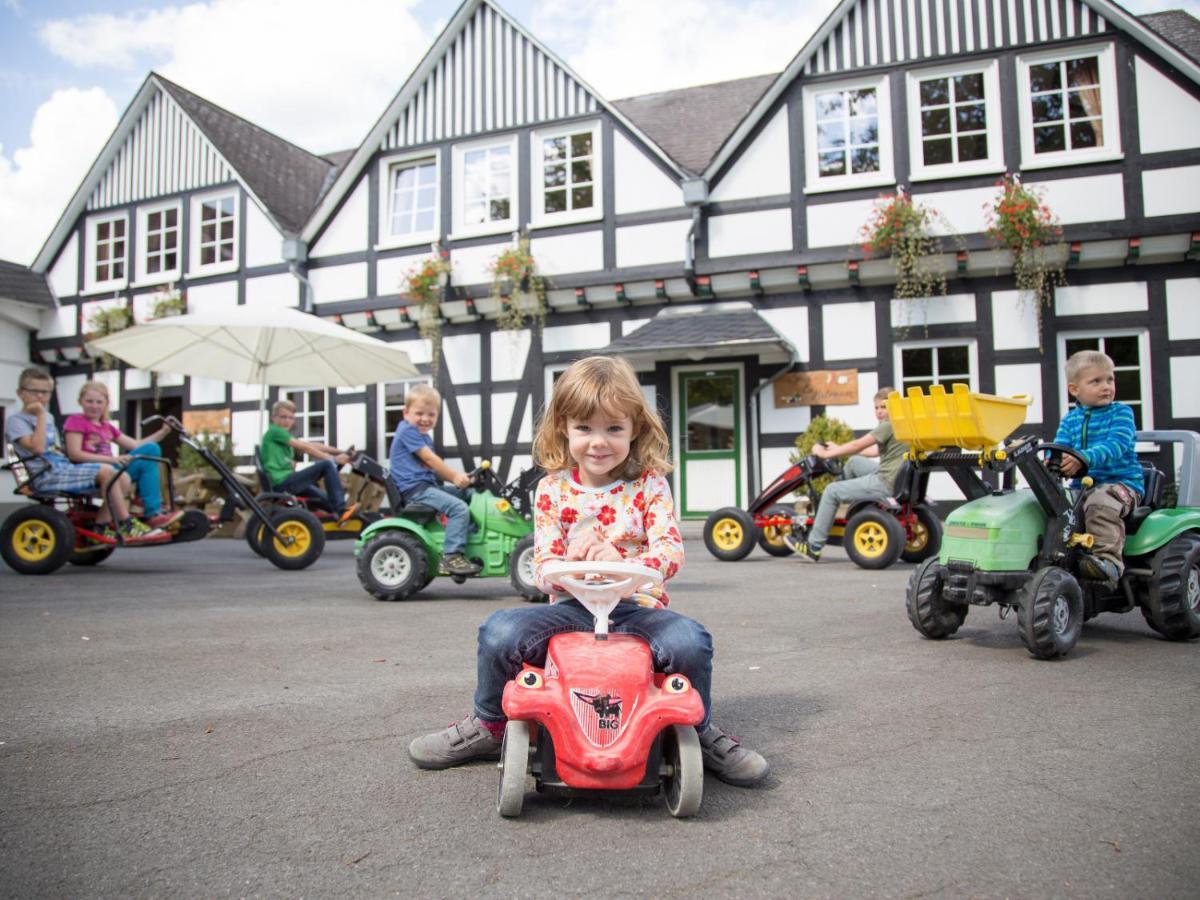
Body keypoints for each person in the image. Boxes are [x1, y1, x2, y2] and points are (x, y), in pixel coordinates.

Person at [407, 356, 769, 787]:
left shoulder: (649, 484)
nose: (599, 442)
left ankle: (700, 728)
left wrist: (621, 560)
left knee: (690, 641)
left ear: (635, 428)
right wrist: (568, 565)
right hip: (571, 609)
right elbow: (541, 569)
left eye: (613, 428)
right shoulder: (552, 489)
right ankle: (490, 725)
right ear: (564, 427)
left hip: (636, 608)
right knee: (498, 632)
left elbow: (670, 553)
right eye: (585, 428)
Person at [4, 367, 168, 544]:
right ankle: (126, 524)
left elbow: (56, 450)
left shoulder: (49, 418)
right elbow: (37, 449)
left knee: (124, 478)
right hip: (45, 474)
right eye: (34, 392)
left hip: (61, 468)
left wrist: (164, 431)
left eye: (45, 392)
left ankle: (101, 526)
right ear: (20, 393)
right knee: (108, 471)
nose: (40, 397)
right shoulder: (16, 420)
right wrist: (41, 416)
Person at [1052, 350, 1144, 584]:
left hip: (1121, 485)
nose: (1106, 386)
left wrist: (1084, 458)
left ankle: (1109, 562)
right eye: (1096, 381)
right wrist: (1053, 463)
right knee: (1051, 503)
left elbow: (1117, 444)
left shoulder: (1121, 413)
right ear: (1075, 389)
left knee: (1100, 502)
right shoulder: (1070, 419)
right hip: (1081, 487)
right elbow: (1060, 448)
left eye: (1110, 379)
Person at [795, 386, 907, 563]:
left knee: (831, 490)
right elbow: (875, 450)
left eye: (883, 407)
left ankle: (813, 547)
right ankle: (832, 504)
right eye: (876, 408)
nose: (879, 412)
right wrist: (839, 448)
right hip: (899, 478)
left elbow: (858, 445)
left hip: (885, 481)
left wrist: (825, 454)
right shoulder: (904, 422)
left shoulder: (887, 426)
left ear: (893, 406)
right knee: (854, 462)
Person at [387, 383, 481, 577]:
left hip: (425, 487)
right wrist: (455, 476)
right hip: (415, 491)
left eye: (431, 414)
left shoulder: (423, 437)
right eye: (419, 413)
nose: (425, 419)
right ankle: (452, 556)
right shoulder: (407, 431)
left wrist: (464, 479)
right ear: (406, 413)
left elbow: (432, 468)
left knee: (468, 494)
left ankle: (468, 536)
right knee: (458, 508)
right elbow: (430, 459)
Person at [63, 380, 184, 529]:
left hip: (111, 467)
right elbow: (75, 454)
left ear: (106, 403)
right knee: (147, 452)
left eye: (99, 402)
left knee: (151, 449)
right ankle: (150, 512)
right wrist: (112, 459)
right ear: (80, 401)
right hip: (90, 471)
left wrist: (163, 431)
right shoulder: (76, 421)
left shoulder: (107, 427)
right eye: (89, 401)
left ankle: (149, 508)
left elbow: (136, 445)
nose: (94, 406)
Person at [260, 399, 354, 519]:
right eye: (283, 417)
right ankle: (341, 511)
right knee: (327, 465)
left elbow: (312, 445)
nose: (287, 421)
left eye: (291, 418)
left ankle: (340, 517)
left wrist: (341, 452)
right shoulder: (275, 431)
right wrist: (333, 459)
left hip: (285, 481)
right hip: (282, 482)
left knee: (328, 501)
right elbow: (305, 448)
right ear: (274, 418)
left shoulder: (283, 435)